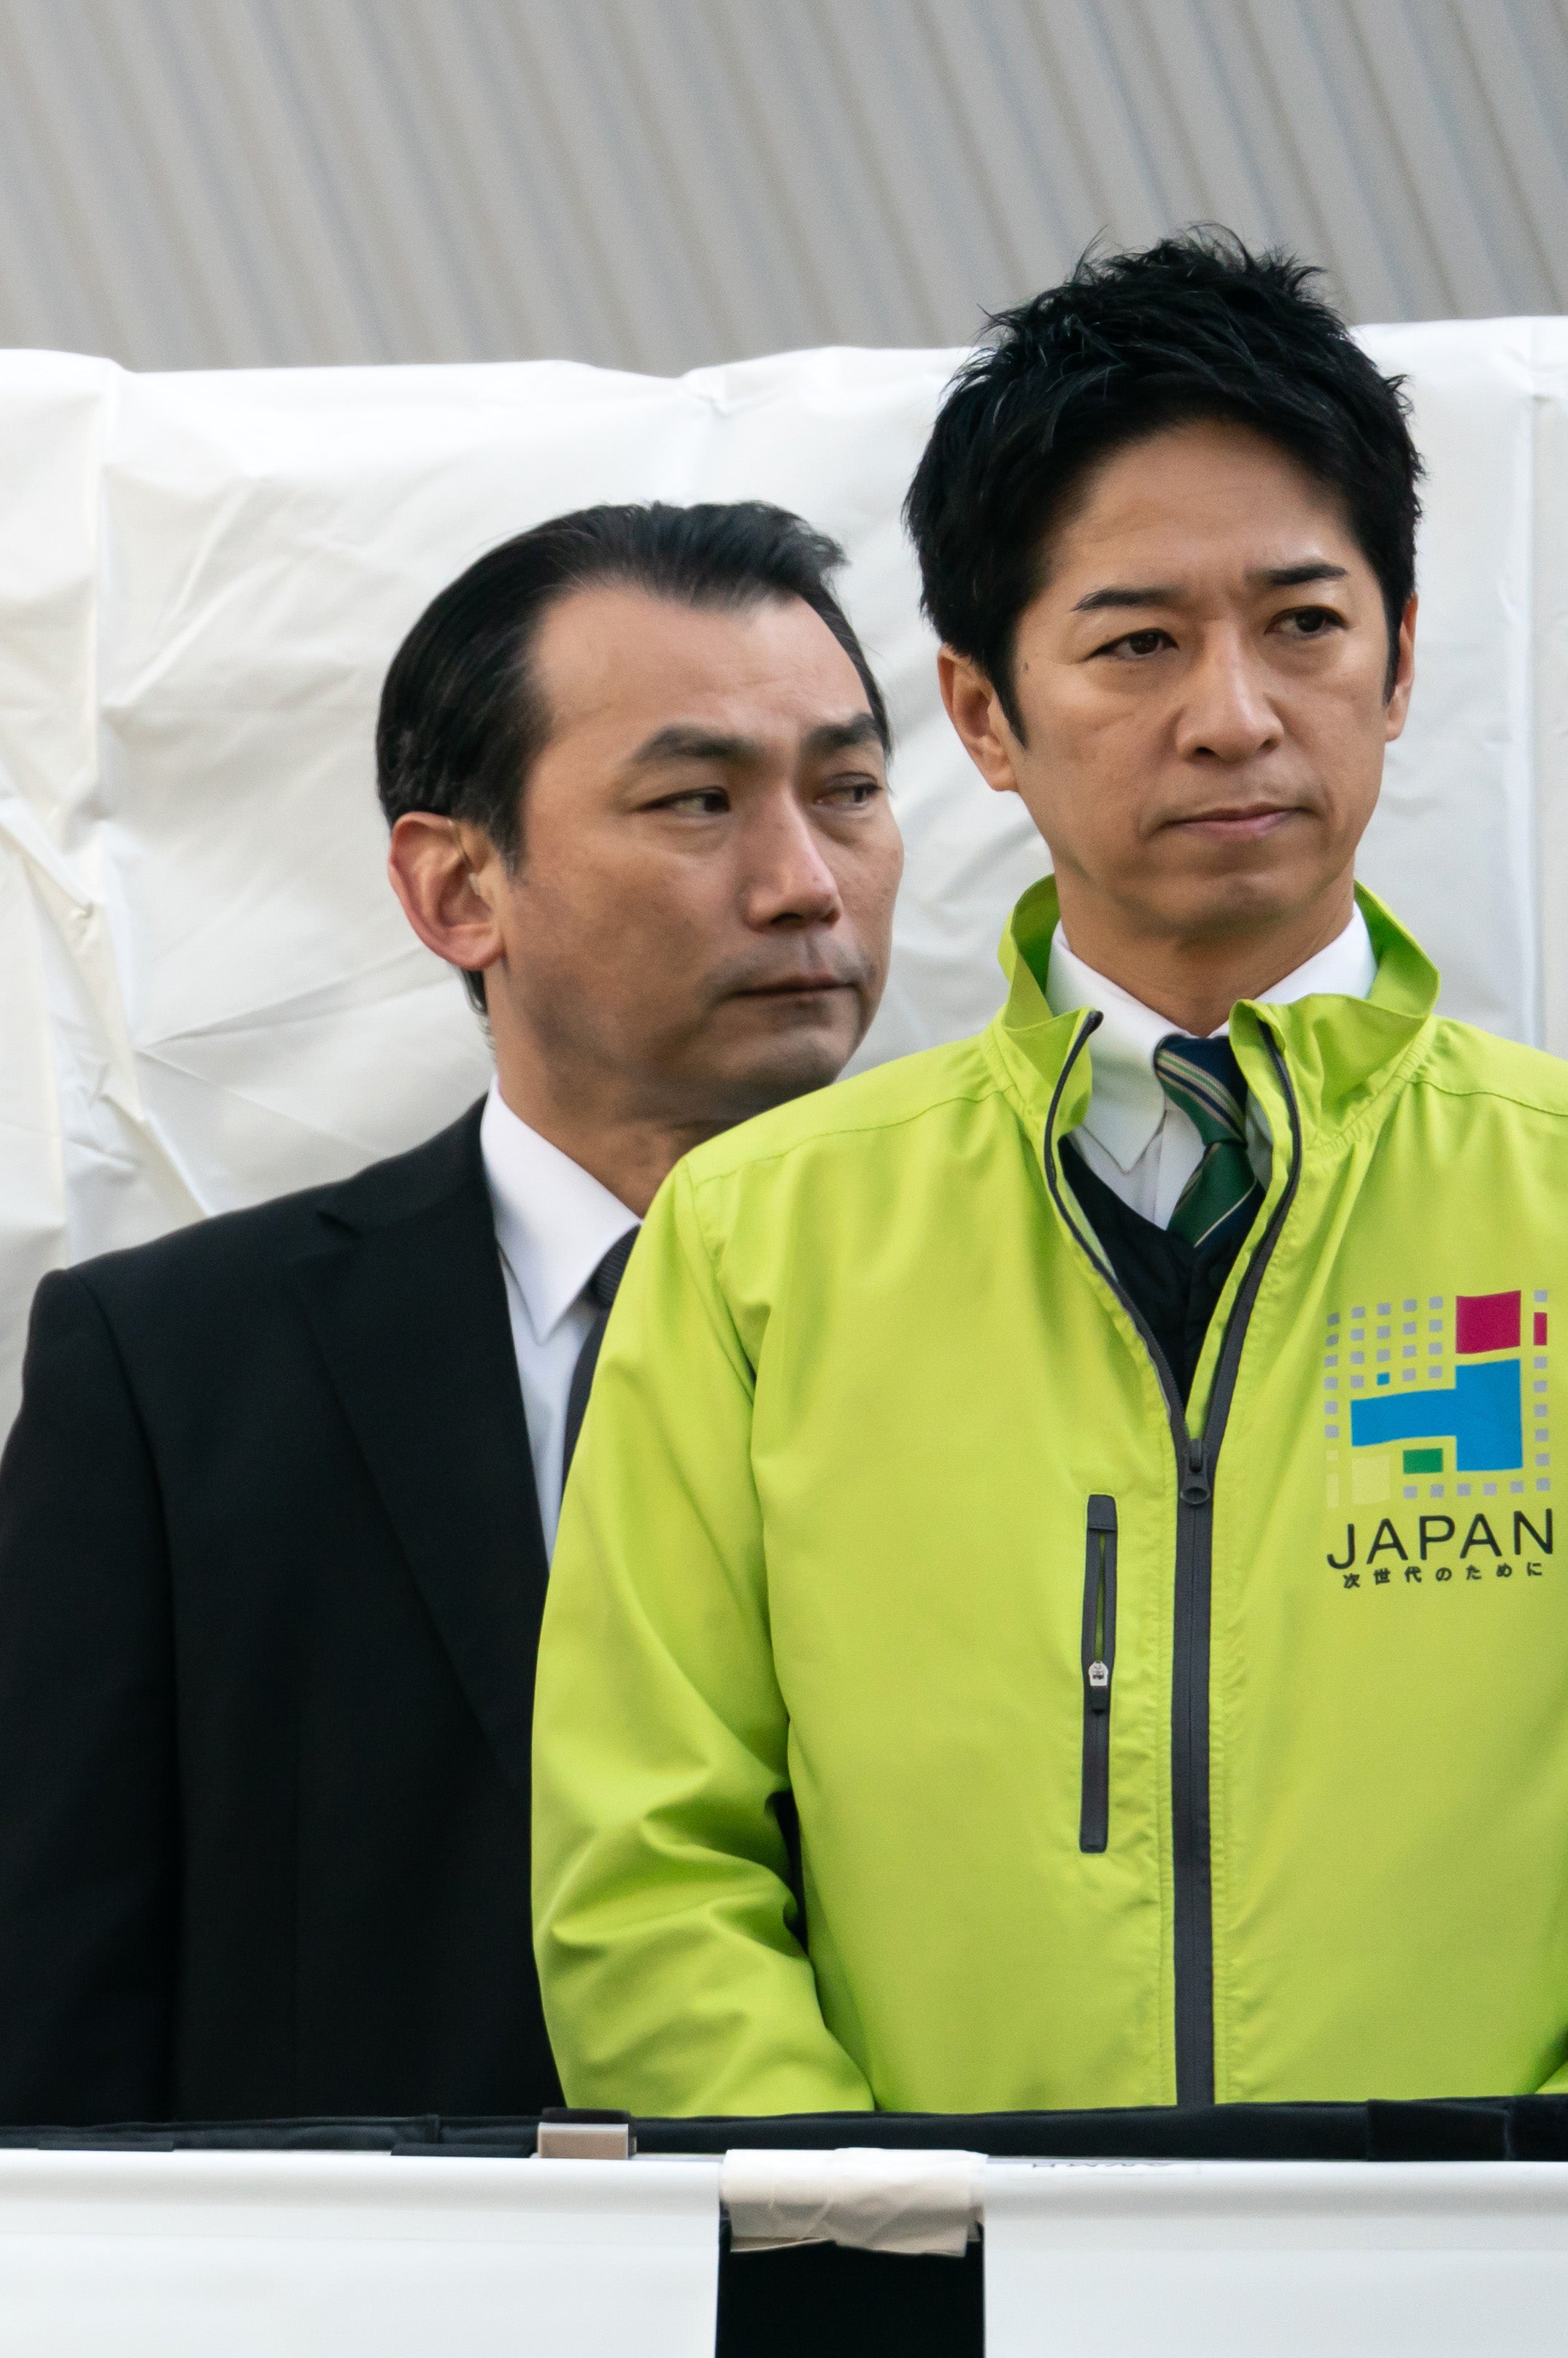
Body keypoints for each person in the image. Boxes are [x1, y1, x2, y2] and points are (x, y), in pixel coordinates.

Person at [536, 232, 1568, 2114]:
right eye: (1134, 641)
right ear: (984, 711)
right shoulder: (763, 1241)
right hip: (939, 2336)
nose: (1232, 714)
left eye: (1304, 624)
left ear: (1403, 662)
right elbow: (643, 1860)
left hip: (1496, 2336)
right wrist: (884, 2250)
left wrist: (1501, 2238)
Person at [0, 503, 899, 2127]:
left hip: (925, 2311)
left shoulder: (1050, 1319)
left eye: (847, 792)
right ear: (456, 888)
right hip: (369, 2350)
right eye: (693, 801)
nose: (802, 883)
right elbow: (38, 2044)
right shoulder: (175, 1379)